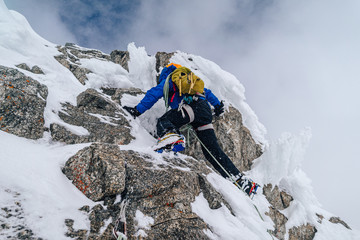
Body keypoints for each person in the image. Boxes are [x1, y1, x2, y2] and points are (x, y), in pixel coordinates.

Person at [123, 63, 258, 196]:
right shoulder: (192, 82)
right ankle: (240, 180)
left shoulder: (170, 79)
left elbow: (154, 94)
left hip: (192, 107)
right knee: (212, 152)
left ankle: (172, 139)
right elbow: (208, 93)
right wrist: (217, 106)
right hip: (204, 112)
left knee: (165, 121)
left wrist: (137, 110)